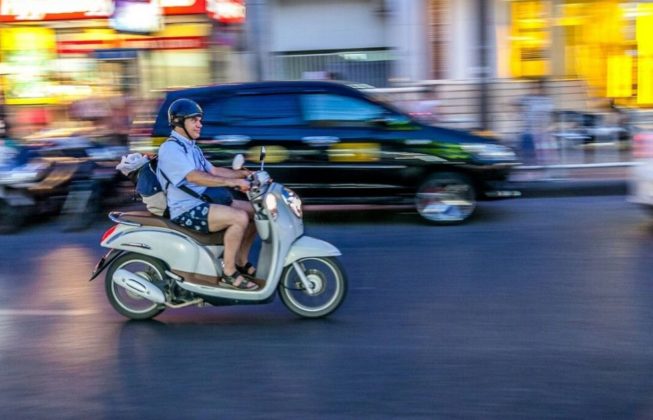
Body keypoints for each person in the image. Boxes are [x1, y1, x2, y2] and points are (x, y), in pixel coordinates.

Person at [157, 98, 259, 291]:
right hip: (186, 209)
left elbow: (213, 171)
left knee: (257, 212)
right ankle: (229, 273)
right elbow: (194, 176)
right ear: (179, 122)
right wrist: (233, 183)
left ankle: (240, 260)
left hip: (202, 202)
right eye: (194, 120)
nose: (200, 124)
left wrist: (245, 175)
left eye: (200, 120)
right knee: (239, 218)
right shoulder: (171, 149)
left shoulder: (191, 147)